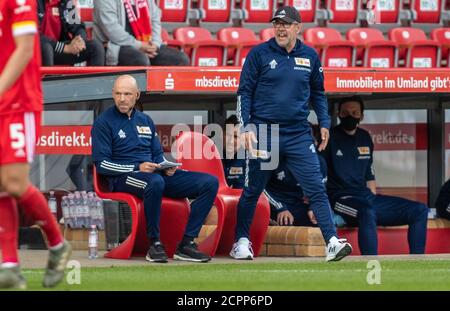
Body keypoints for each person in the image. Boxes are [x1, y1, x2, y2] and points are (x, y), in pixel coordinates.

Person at [231, 6, 352, 262]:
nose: (281, 28)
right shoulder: (258, 54)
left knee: (316, 189)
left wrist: (325, 123)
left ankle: (331, 241)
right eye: (277, 24)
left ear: (298, 27)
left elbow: (319, 93)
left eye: (286, 24)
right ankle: (241, 241)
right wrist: (245, 127)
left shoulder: (309, 56)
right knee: (252, 190)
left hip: (298, 133)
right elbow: (244, 93)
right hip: (264, 131)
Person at [91, 75, 218, 263]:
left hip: (153, 175)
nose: (122, 98)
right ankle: (155, 243)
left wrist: (165, 166)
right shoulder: (104, 122)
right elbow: (102, 165)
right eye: (118, 94)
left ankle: (186, 243)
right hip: (124, 177)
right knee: (155, 182)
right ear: (113, 94)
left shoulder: (145, 120)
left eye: (127, 94)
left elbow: (157, 154)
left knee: (209, 182)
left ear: (137, 95)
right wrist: (137, 166)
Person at [0, 0, 71, 289]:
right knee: (1, 184)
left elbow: (26, 48)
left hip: (18, 101)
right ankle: (9, 265)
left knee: (15, 182)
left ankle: (57, 244)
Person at [323, 95, 428, 255]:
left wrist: (372, 196)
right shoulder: (330, 138)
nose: (349, 116)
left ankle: (418, 262)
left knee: (419, 210)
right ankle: (370, 263)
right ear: (338, 114)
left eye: (354, 112)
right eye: (345, 113)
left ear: (362, 116)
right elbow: (319, 174)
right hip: (340, 199)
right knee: (367, 211)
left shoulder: (365, 137)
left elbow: (369, 175)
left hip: (366, 197)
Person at [93, 0, 189, 66]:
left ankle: (162, 95)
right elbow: (112, 30)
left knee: (180, 59)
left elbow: (155, 18)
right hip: (115, 47)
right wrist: (139, 45)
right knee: (140, 59)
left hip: (147, 45)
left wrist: (155, 44)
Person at [38, 0, 105, 66]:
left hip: (59, 50)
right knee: (46, 48)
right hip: (37, 51)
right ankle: (49, 76)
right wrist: (65, 47)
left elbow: (78, 26)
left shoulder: (65, 2)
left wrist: (79, 41)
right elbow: (36, 36)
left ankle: (94, 77)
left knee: (96, 47)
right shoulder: (33, 2)